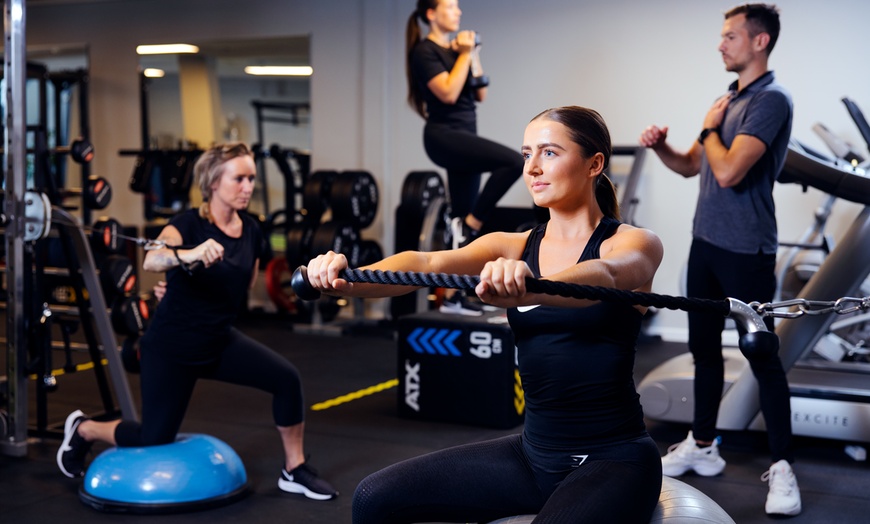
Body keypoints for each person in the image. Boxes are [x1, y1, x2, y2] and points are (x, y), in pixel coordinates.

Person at [307, 106, 665, 523]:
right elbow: (426, 266)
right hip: (533, 457)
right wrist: (346, 277)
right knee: (373, 497)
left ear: (594, 164)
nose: (532, 167)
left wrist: (534, 286)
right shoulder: (510, 245)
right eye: (527, 153)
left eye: (549, 153)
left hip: (615, 459)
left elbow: (605, 276)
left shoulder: (634, 243)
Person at [56, 143, 337, 501]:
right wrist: (190, 254)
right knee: (153, 437)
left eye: (251, 178)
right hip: (171, 347)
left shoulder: (251, 230)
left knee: (286, 379)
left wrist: (179, 287)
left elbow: (243, 283)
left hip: (218, 340)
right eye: (239, 178)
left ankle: (294, 469)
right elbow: (153, 258)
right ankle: (85, 429)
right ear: (213, 182)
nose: (248, 186)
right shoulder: (186, 224)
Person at [638, 3, 800, 517]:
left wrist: (709, 130)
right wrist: (664, 148)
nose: (720, 43)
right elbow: (694, 166)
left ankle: (784, 467)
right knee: (702, 349)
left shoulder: (771, 101)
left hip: (747, 250)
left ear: (759, 42)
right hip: (706, 243)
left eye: (730, 35)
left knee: (760, 355)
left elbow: (728, 171)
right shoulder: (726, 100)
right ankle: (703, 446)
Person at [407, 0, 525, 315]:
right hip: (444, 138)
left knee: (460, 218)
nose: (458, 12)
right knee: (514, 162)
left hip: (464, 138)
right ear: (431, 14)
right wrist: (461, 54)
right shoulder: (424, 51)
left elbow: (481, 92)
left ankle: (457, 297)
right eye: (451, 6)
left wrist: (472, 52)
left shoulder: (459, 50)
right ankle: (473, 224)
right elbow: (447, 92)